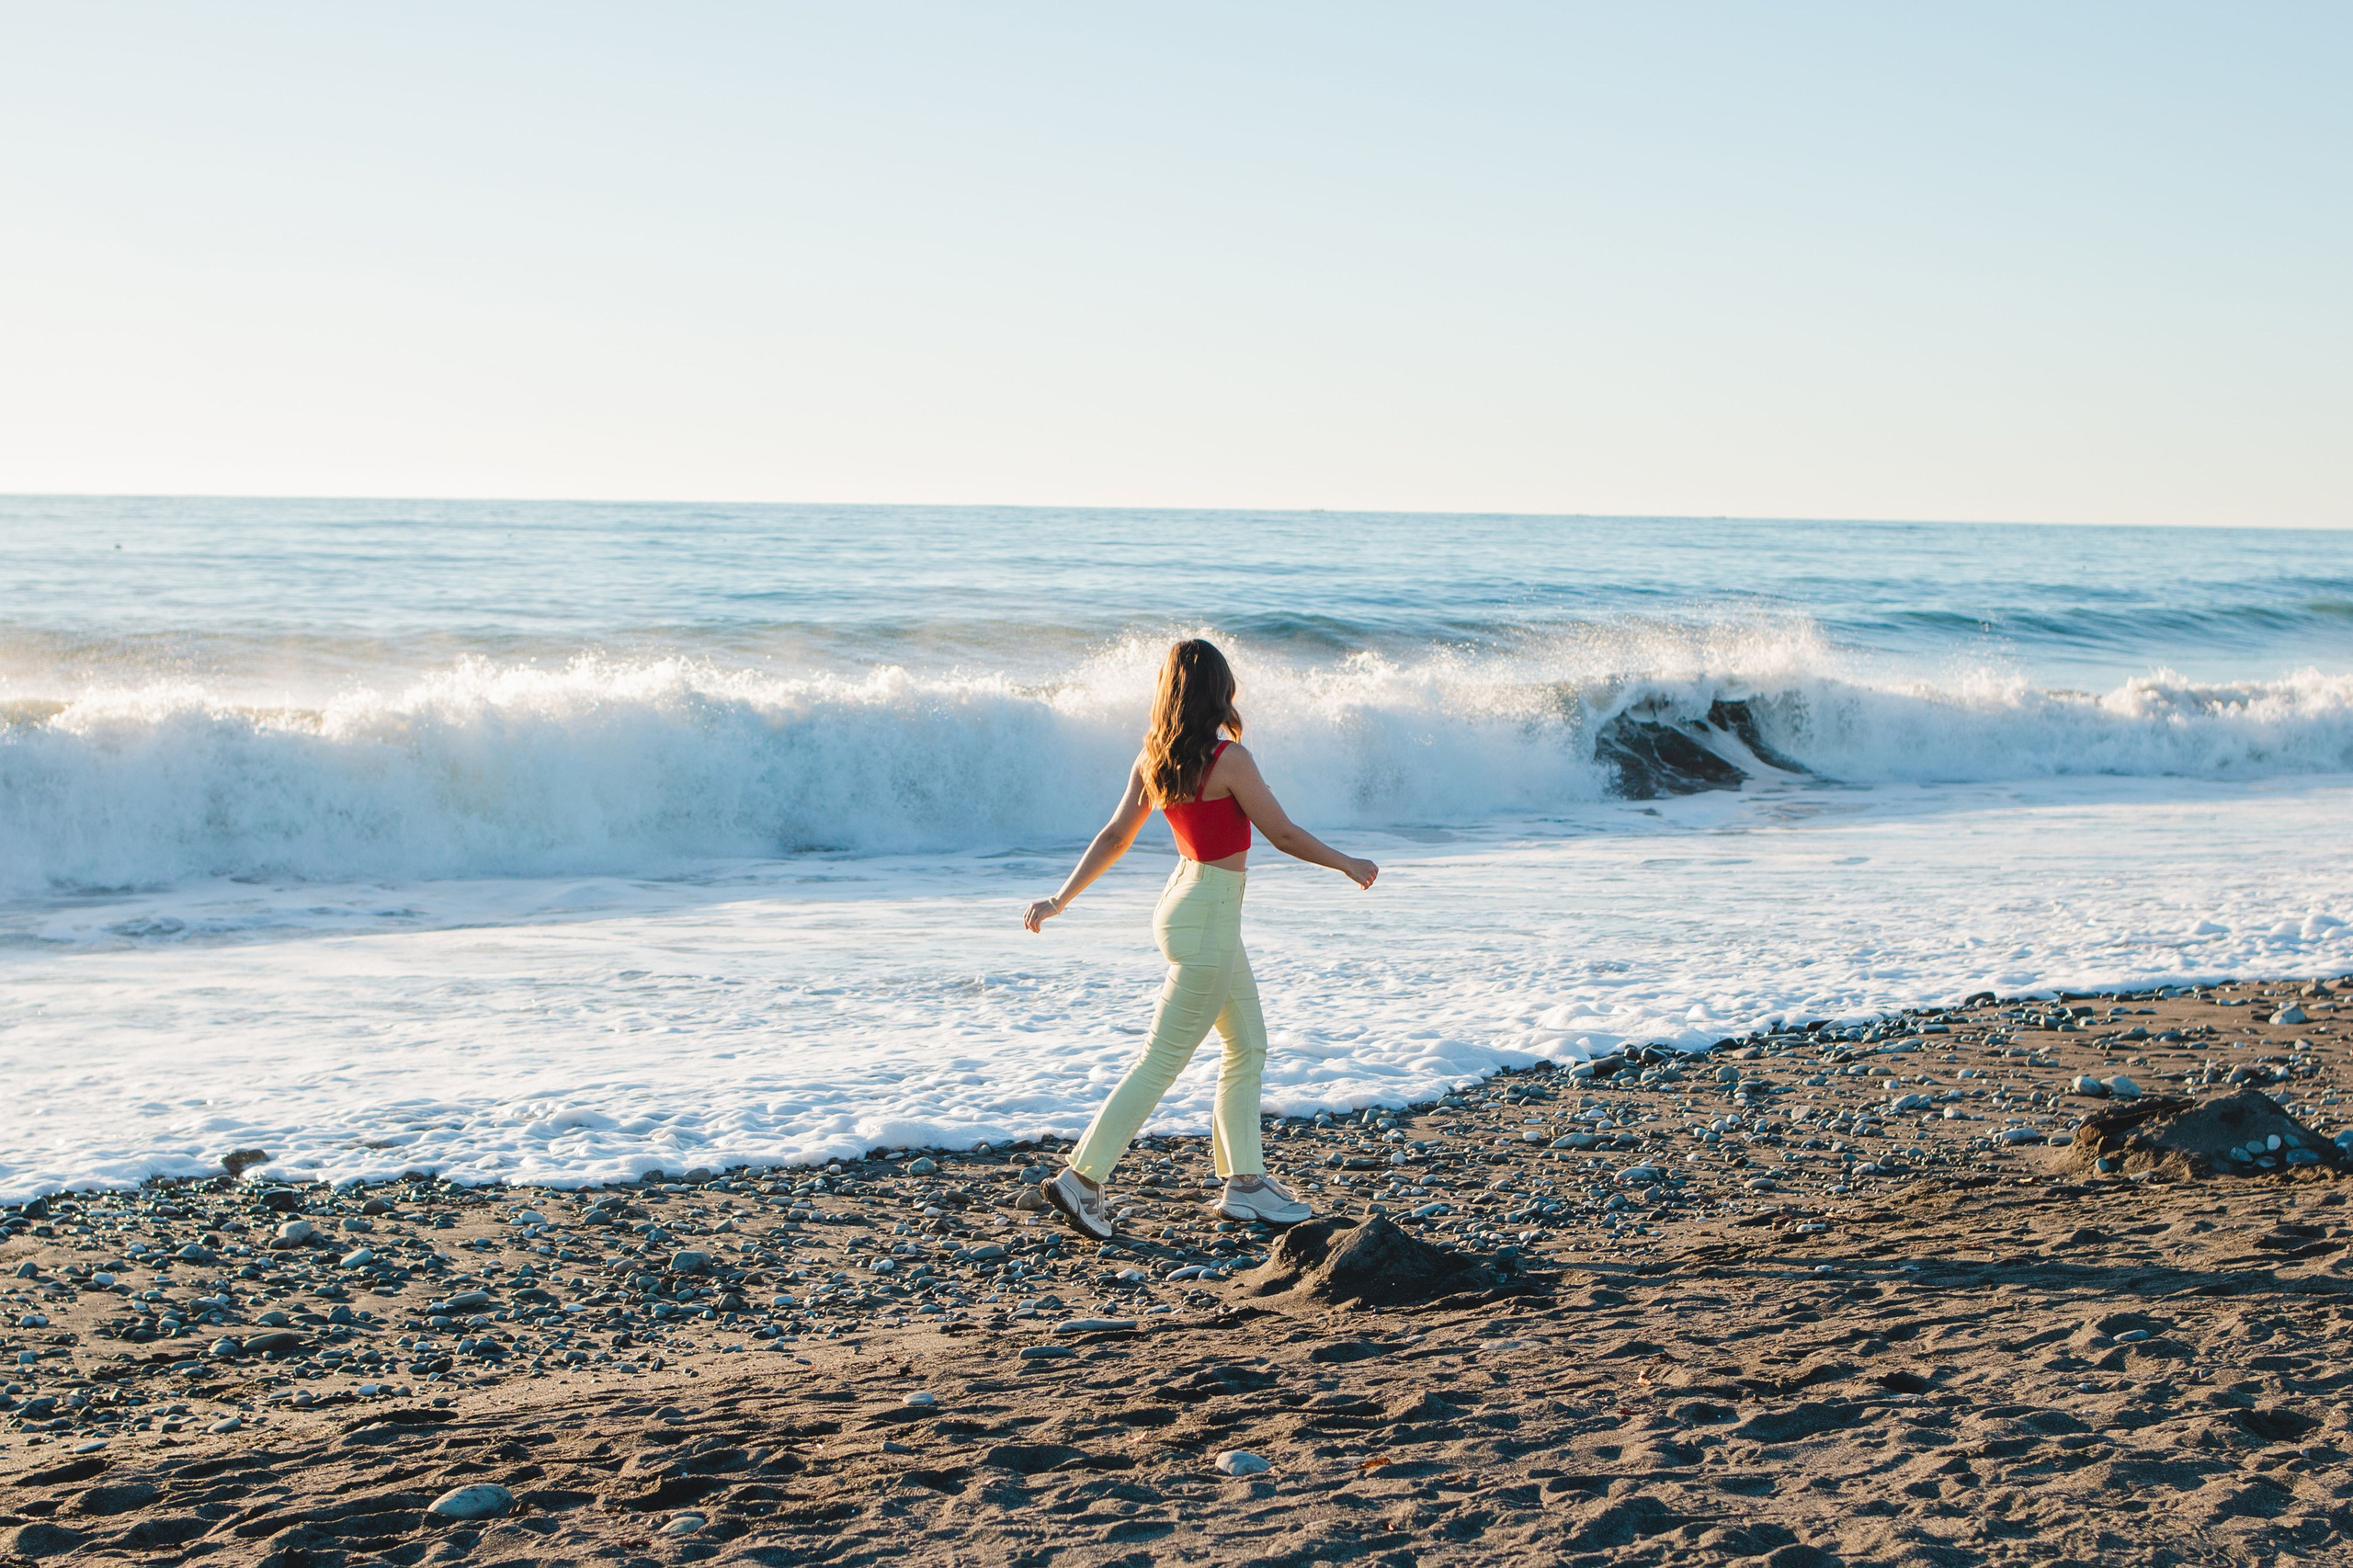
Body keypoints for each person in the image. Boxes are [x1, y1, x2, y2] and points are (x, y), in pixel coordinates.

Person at [1021, 638, 1379, 1240]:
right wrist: (1347, 863)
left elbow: (1114, 836)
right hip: (1210, 918)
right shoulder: (1230, 760)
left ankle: (1245, 1186)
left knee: (1247, 1044)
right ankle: (1081, 1180)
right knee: (1161, 1060)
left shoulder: (1153, 759)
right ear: (1219, 690)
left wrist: (1060, 899)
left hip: (1186, 907)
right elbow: (1283, 834)